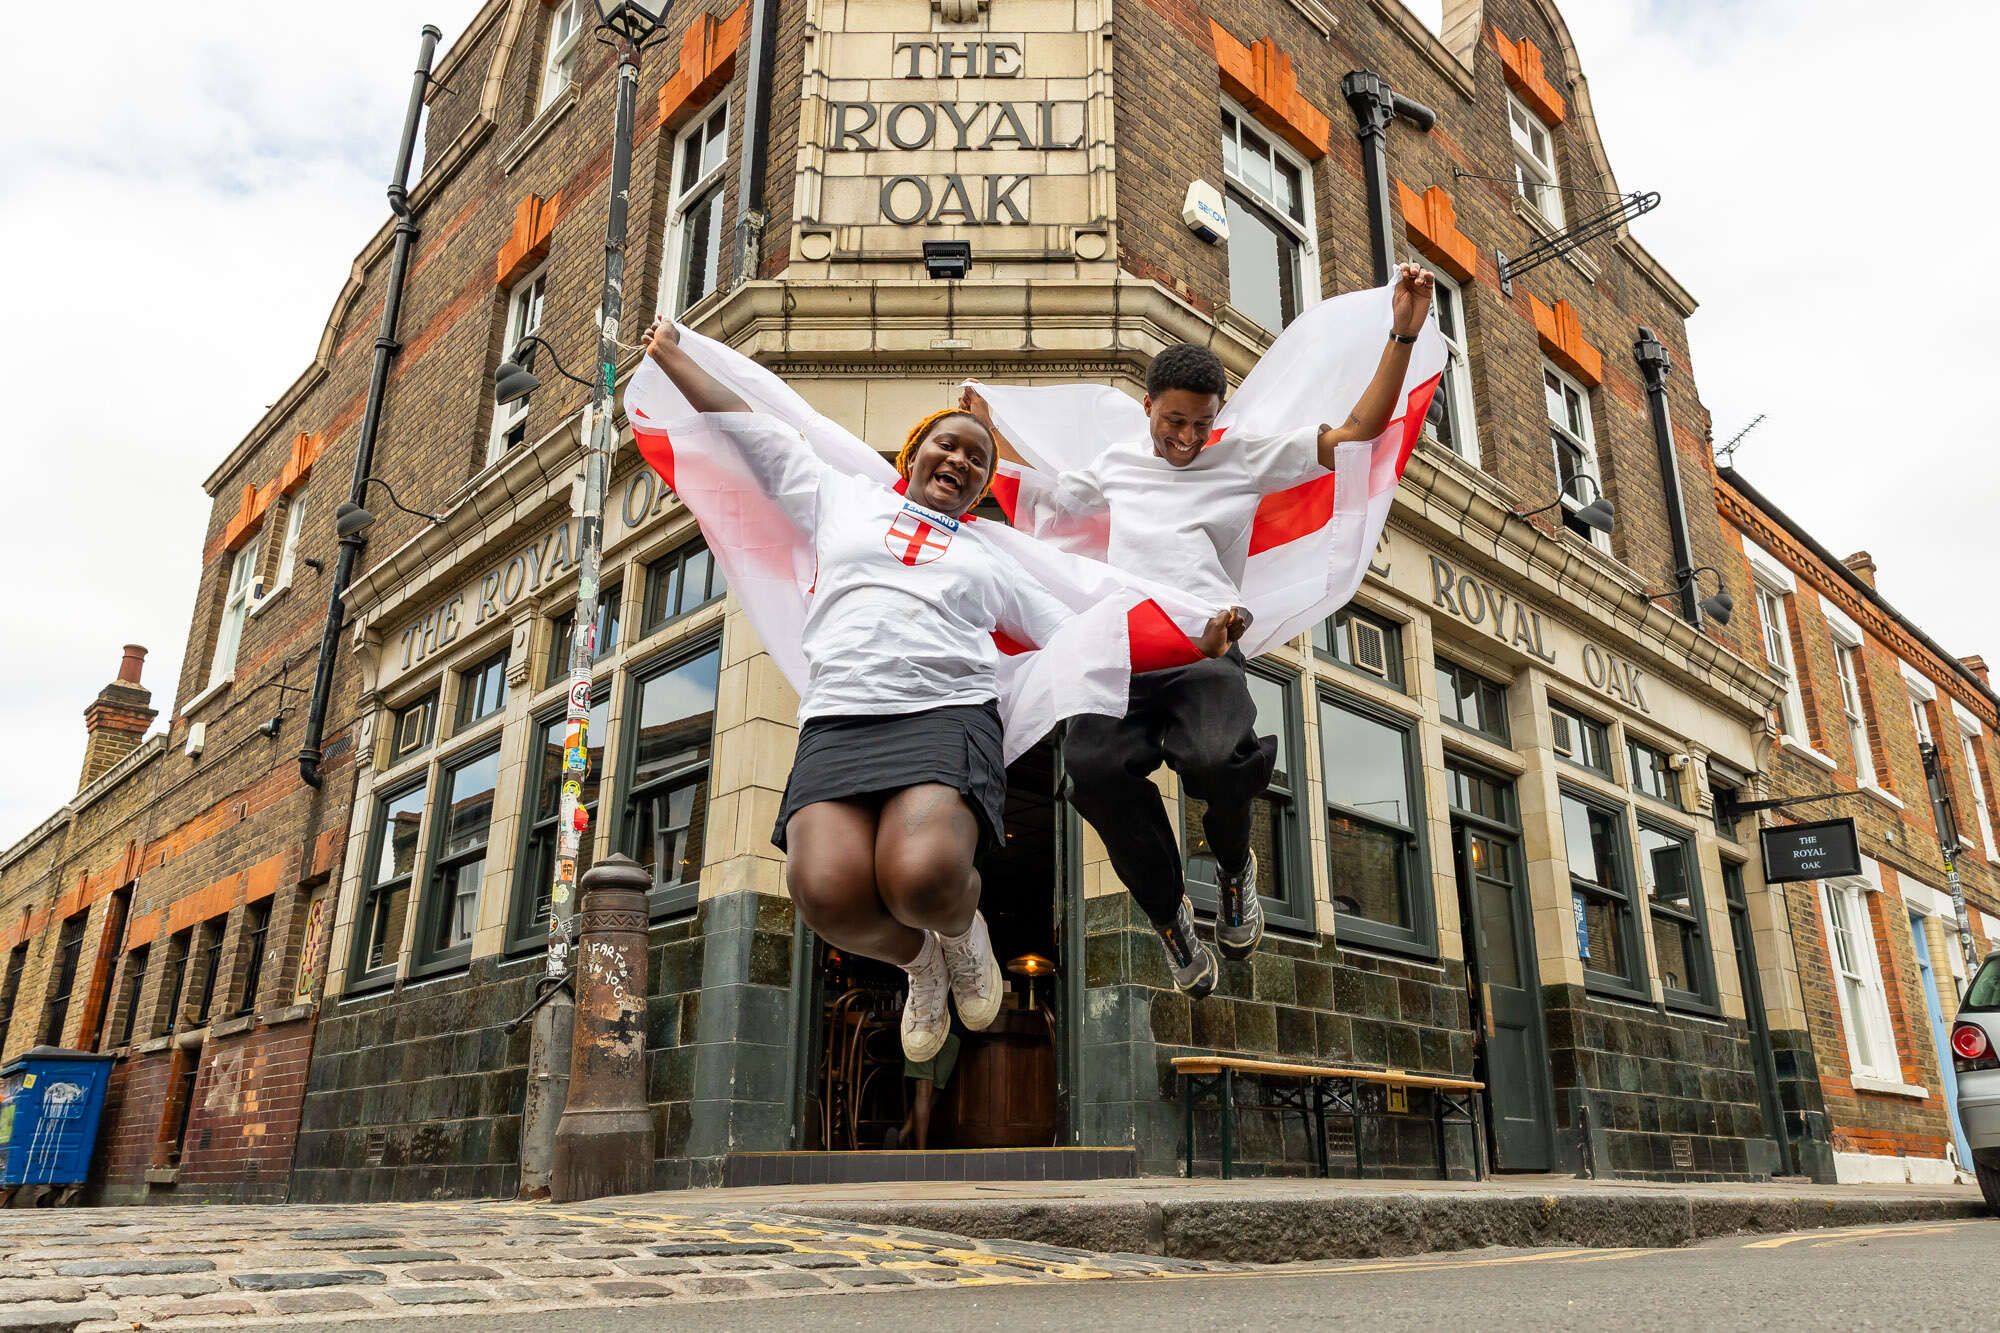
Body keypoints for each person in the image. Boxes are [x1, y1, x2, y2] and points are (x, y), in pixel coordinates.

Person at [633, 317, 1232, 1061]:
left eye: (978, 458)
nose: (962, 459)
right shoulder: (839, 497)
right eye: (948, 444)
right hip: (840, 719)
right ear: (912, 454)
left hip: (947, 716)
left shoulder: (994, 556)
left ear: (982, 485)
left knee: (922, 874)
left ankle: (963, 935)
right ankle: (921, 964)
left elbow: (1091, 619)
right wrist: (677, 358)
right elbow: (749, 428)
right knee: (822, 889)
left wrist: (1188, 637)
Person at [961, 266, 1440, 997]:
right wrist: (987, 431)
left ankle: (1237, 867)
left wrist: (1402, 331)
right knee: (1091, 773)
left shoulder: (1241, 456)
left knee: (1218, 755)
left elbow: (1356, 431)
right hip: (1122, 645)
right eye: (1172, 421)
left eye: (1200, 422)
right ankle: (1170, 917)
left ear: (1217, 414)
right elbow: (1049, 496)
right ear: (1147, 406)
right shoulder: (1119, 462)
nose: (1186, 438)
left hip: (1202, 641)